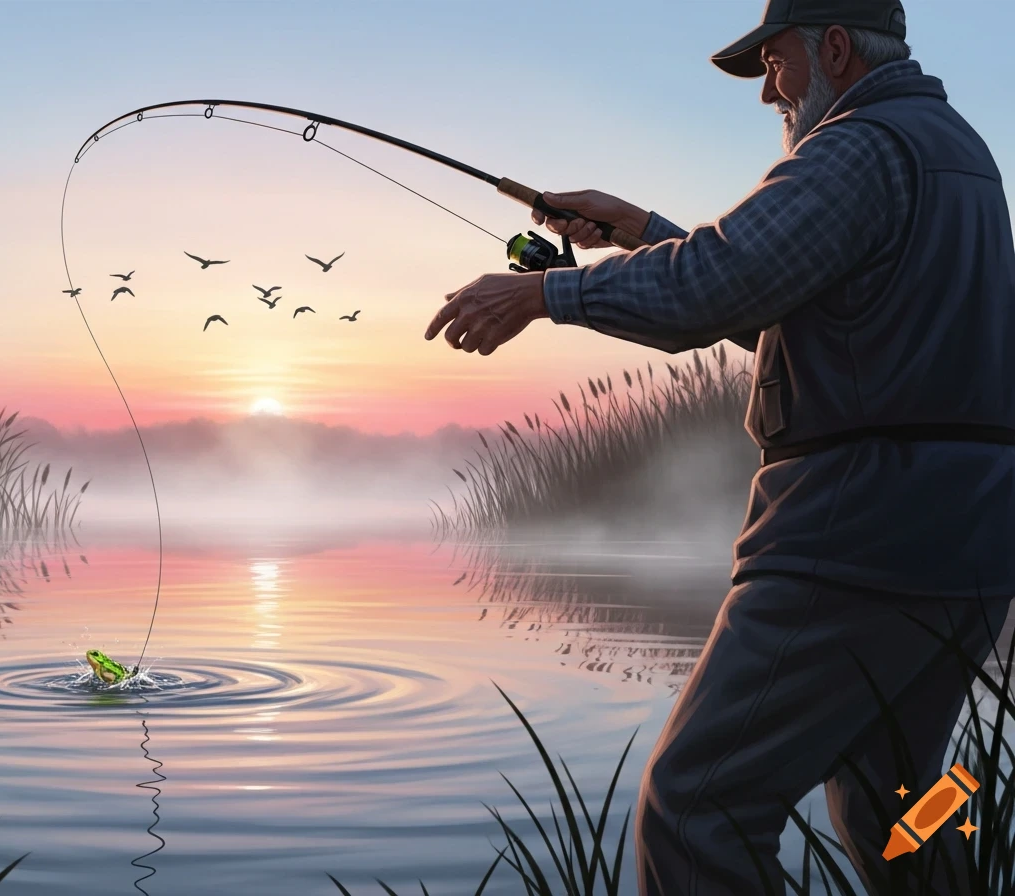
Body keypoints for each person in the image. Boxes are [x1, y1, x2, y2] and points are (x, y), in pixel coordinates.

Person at [424, 0, 1015, 892]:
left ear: (839, 49)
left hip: (854, 538)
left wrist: (543, 298)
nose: (769, 91)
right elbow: (804, 317)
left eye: (775, 65)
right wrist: (633, 225)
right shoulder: (958, 154)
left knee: (696, 806)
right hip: (969, 545)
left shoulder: (855, 149)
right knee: (894, 803)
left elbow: (716, 287)